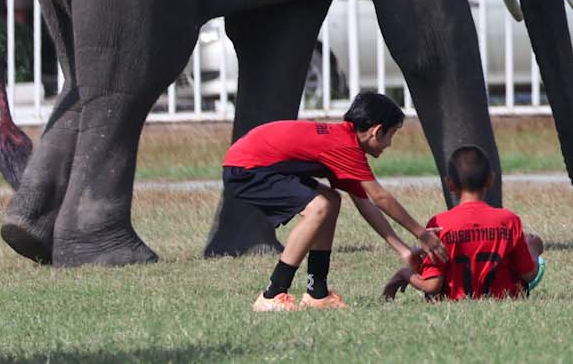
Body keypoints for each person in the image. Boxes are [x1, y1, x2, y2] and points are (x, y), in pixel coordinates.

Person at [221, 90, 447, 312]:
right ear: (377, 131)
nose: (390, 144)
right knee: (320, 207)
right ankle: (272, 294)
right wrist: (422, 233)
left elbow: (365, 203)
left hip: (254, 163)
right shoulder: (345, 147)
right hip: (246, 168)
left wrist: (404, 250)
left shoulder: (344, 140)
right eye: (392, 134)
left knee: (331, 199)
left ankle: (317, 293)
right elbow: (380, 197)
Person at [385, 143, 545, 302]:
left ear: (450, 184)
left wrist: (404, 273)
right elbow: (529, 274)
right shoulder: (509, 221)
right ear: (490, 180)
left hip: (453, 302)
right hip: (504, 301)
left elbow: (432, 285)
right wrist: (533, 249)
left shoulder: (440, 223)